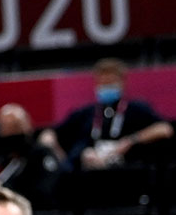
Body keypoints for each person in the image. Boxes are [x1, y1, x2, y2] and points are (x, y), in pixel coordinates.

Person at [38, 58, 173, 170]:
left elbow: (164, 129)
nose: (106, 87)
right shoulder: (86, 112)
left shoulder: (136, 108)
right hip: (88, 173)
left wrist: (131, 141)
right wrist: (62, 159)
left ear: (122, 82)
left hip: (128, 171)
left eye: (111, 83)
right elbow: (49, 135)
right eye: (103, 83)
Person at [0, 103, 67, 210]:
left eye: (16, 127)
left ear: (27, 126)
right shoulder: (1, 161)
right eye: (4, 128)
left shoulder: (40, 155)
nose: (11, 135)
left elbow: (47, 191)